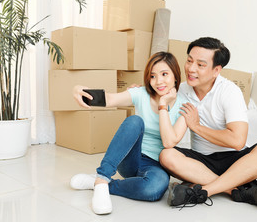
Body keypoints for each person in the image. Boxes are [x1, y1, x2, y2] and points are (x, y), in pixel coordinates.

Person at [159, 37, 257, 209]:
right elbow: (156, 94)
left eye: (200, 65)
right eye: (189, 61)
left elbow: (237, 141)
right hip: (200, 163)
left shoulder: (229, 91)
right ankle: (236, 190)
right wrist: (138, 91)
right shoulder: (182, 90)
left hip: (236, 161)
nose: (191, 69)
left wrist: (196, 127)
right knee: (166, 155)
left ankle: (203, 191)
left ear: (216, 70)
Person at [70, 52, 188, 215]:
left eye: (164, 74)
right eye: (152, 76)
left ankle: (100, 184)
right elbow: (109, 99)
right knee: (135, 121)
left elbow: (169, 142)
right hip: (131, 159)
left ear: (176, 76)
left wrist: (163, 105)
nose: (158, 81)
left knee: (155, 189)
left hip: (157, 165)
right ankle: (102, 178)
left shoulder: (184, 107)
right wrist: (78, 89)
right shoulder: (141, 94)